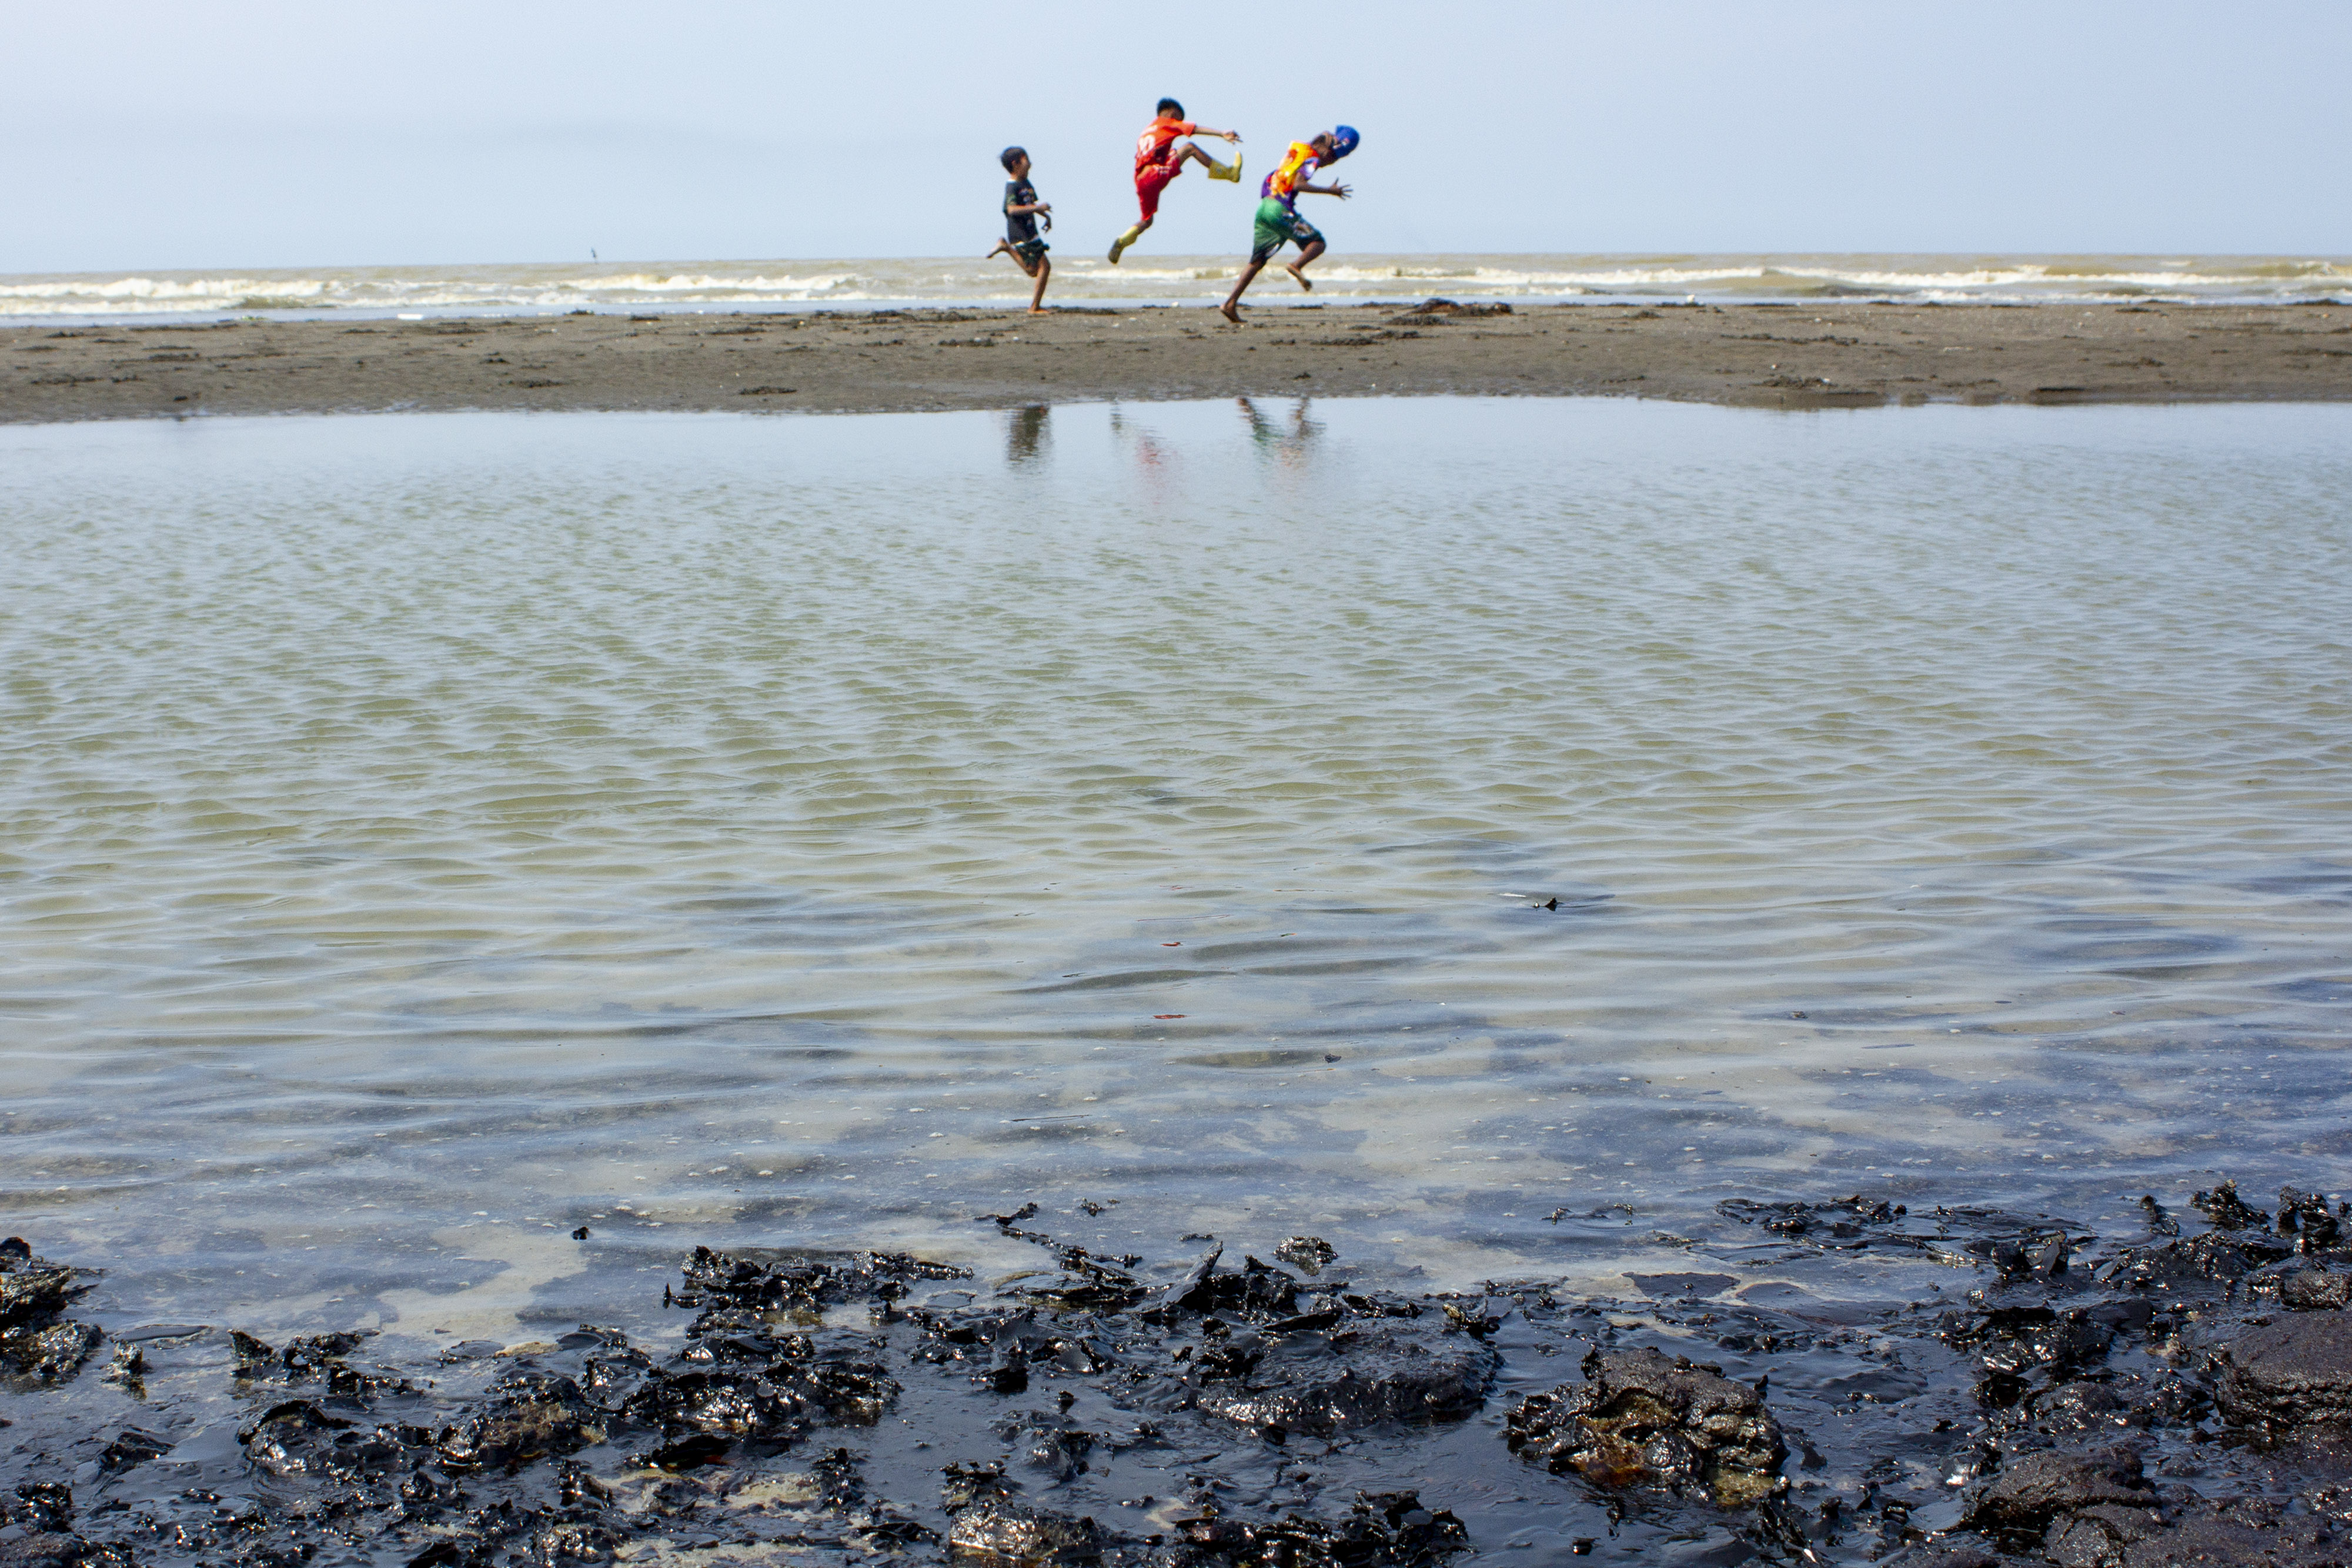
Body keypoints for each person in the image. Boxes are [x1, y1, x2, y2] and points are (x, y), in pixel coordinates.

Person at [1220, 126, 1358, 323]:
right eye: (1334, 158)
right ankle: (1296, 265)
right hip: (1280, 210)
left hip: (1264, 208)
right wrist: (1330, 191)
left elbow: (1273, 179)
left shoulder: (1296, 153)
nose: (1332, 162)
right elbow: (1298, 184)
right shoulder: (1312, 159)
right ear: (1328, 150)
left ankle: (1230, 303)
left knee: (1257, 261)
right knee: (1317, 243)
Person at [1108, 98, 1242, 265]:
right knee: (1190, 148)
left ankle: (1122, 240)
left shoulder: (1147, 130)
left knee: (1147, 220)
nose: (1179, 123)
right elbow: (1194, 129)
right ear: (1172, 113)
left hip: (1141, 180)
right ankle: (1230, 174)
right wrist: (1221, 133)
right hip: (1154, 174)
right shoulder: (1167, 122)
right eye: (1179, 119)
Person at [987, 146, 1054, 313]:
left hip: (1031, 231)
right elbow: (1011, 210)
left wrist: (1046, 216)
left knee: (1034, 270)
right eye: (1026, 160)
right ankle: (1034, 308)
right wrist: (1037, 208)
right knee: (1043, 267)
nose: (1030, 164)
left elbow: (1031, 205)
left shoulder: (1026, 183)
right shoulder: (1012, 186)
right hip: (1020, 232)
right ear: (1015, 164)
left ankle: (1006, 247)